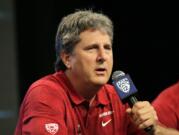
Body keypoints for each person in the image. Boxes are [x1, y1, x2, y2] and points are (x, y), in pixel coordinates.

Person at [14, 10, 159, 135]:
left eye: (107, 48)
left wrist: (152, 128)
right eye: (92, 48)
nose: (102, 57)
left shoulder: (116, 97)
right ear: (67, 58)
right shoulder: (45, 94)